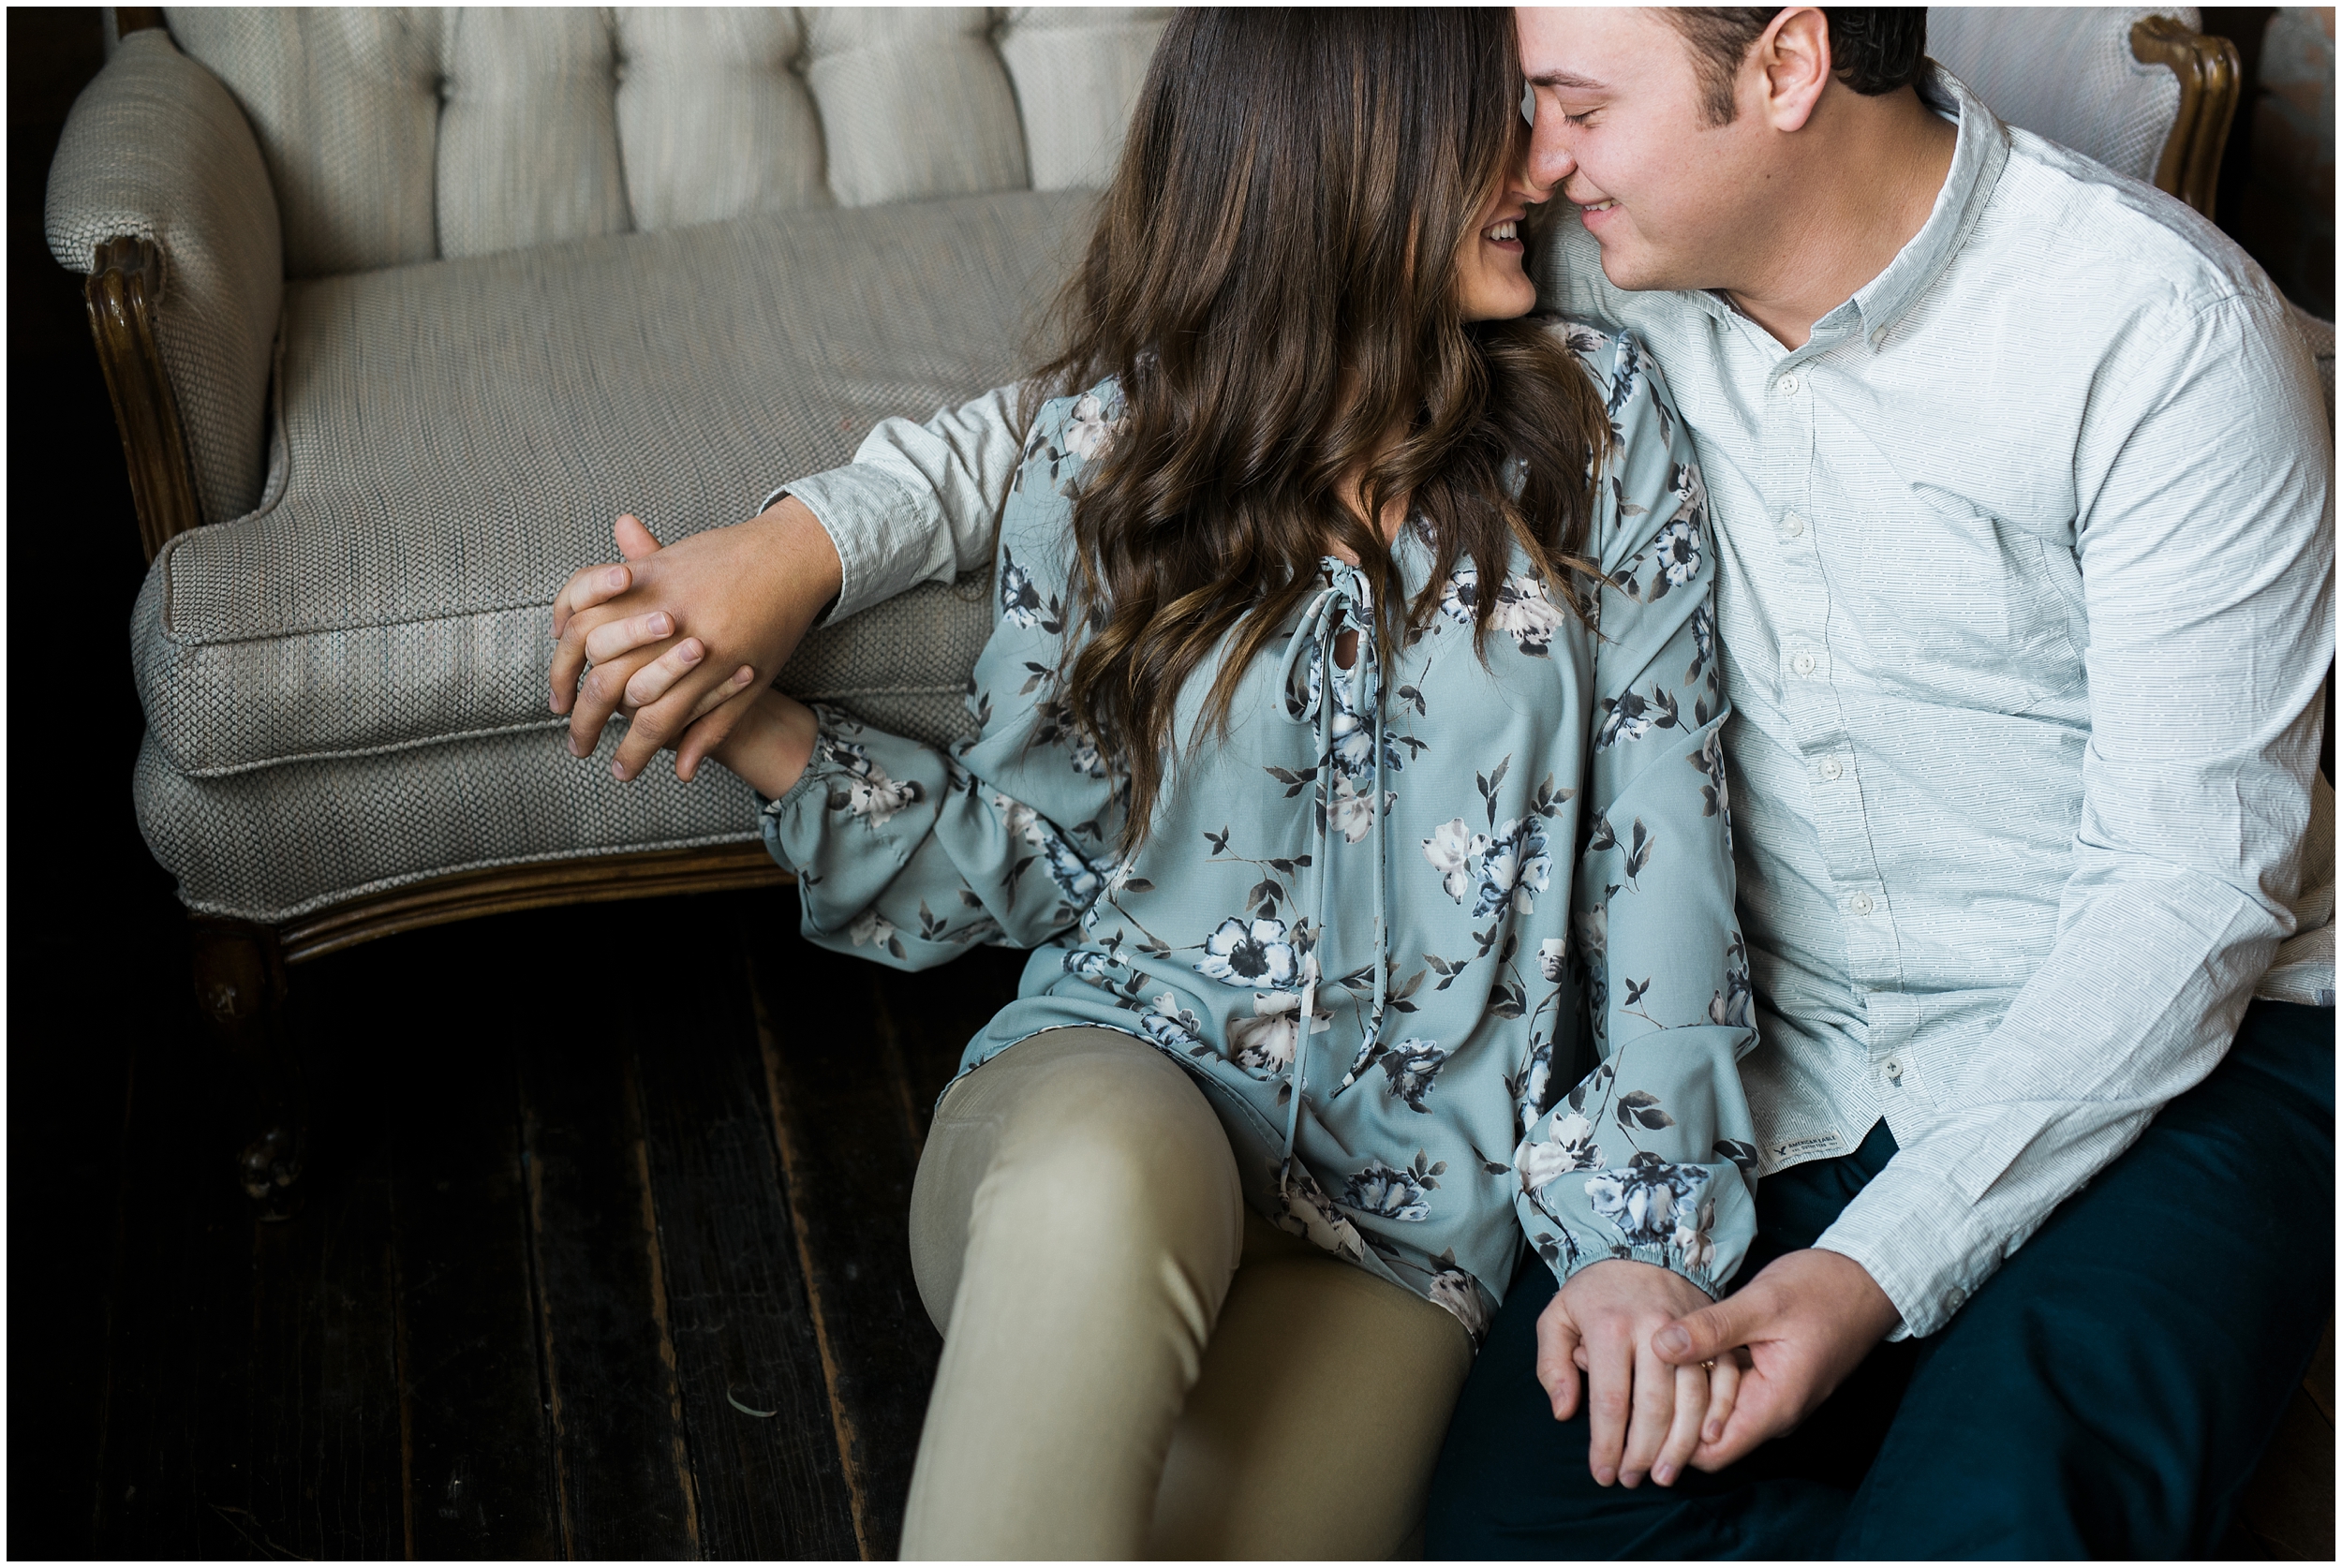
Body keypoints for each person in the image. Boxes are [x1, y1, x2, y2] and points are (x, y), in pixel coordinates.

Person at [550, 6, 2335, 1557]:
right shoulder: (1602, 249)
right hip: (1602, 1071)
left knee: (1964, 1518)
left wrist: (1803, 1266)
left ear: (1784, 67)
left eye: (1569, 101)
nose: (1542, 162)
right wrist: (795, 548)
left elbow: (2167, 902)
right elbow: (1157, 385)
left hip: (2134, 1055)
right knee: (1408, 1445)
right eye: (1517, 108)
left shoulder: (2139, 344)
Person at [566, 10, 1766, 1557]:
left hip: (1402, 1238)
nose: (1545, 157)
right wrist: (751, 724)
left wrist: (1641, 1242)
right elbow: (1030, 856)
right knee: (1093, 1192)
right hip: (1108, 1088)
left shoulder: (1600, 430)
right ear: (1354, 149)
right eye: (1500, 115)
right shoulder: (1109, 452)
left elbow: (1670, 861)